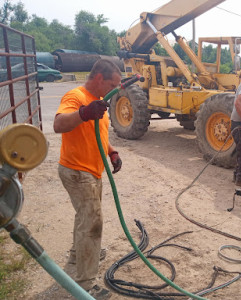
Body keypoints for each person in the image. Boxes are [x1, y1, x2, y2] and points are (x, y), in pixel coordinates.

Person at [53, 59, 122, 299]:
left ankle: (77, 254)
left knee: (85, 217)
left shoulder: (99, 103)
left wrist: (111, 151)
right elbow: (58, 124)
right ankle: (84, 284)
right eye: (113, 84)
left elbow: (98, 133)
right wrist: (83, 113)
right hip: (77, 171)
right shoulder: (76, 96)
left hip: (91, 171)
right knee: (93, 224)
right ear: (100, 79)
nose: (114, 89)